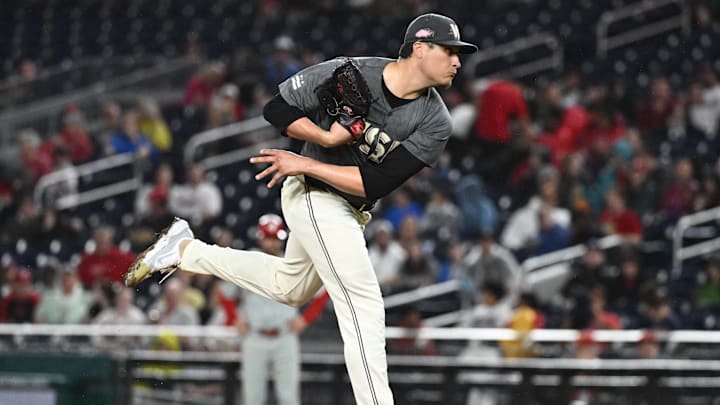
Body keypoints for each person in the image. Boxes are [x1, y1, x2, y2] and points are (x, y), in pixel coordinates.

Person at [125, 13, 477, 405]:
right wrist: (322, 137)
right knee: (364, 303)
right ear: (419, 48)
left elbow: (377, 183)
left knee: (289, 288)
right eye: (449, 51)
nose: (457, 61)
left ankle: (185, 251)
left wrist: (308, 158)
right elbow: (277, 109)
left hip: (348, 206)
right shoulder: (354, 73)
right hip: (314, 196)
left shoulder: (435, 120)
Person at [236, 214, 330, 405]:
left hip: (284, 336)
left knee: (289, 398)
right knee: (253, 398)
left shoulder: (292, 263)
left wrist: (305, 319)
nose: (272, 243)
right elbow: (223, 292)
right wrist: (234, 318)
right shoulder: (249, 260)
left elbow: (323, 292)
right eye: (268, 238)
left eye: (275, 239)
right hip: (255, 336)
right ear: (259, 238)